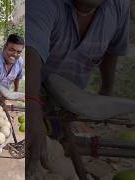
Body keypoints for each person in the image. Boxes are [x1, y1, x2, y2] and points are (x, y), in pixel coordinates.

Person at [26, 0, 130, 177]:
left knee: (55, 146)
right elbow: (30, 50)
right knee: (34, 150)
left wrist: (106, 90)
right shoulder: (43, 4)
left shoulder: (118, 6)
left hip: (66, 98)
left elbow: (111, 51)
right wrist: (31, 104)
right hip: (32, 94)